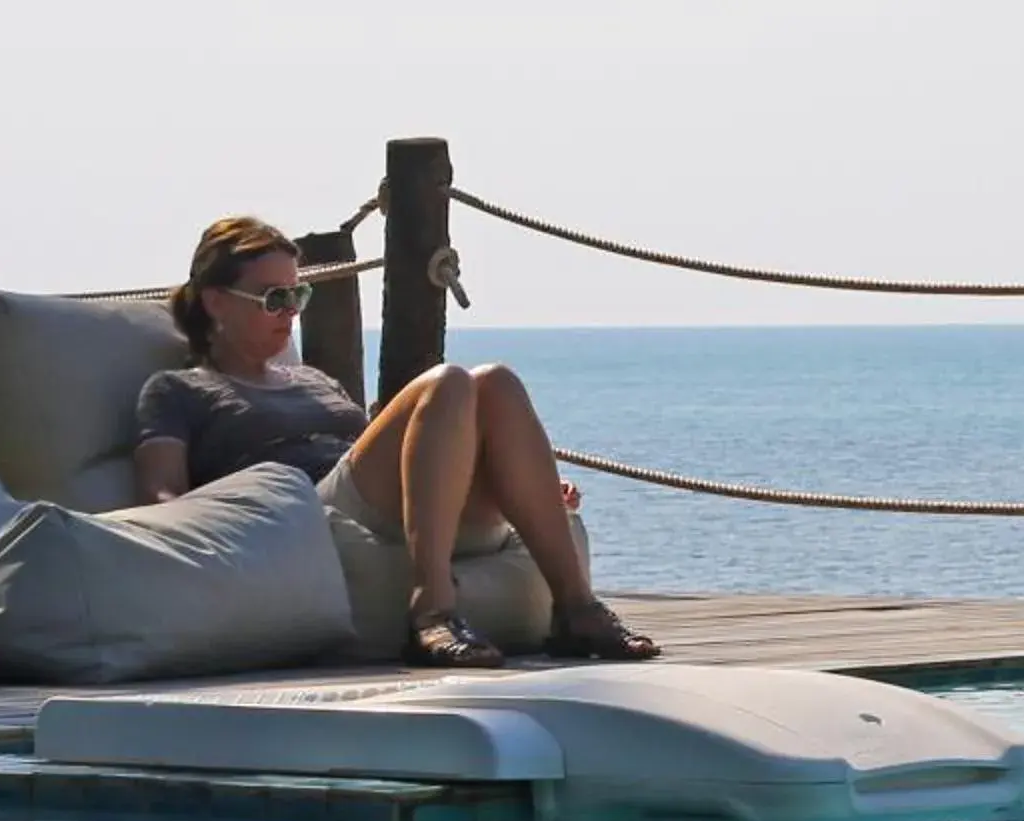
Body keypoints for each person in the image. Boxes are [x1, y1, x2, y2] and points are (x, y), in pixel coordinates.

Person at [135, 215, 658, 667]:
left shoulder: (315, 381)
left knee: (496, 382)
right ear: (216, 303)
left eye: (298, 295)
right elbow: (163, 498)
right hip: (310, 514)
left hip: (385, 511)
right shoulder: (180, 390)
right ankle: (431, 608)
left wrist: (525, 487)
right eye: (274, 298)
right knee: (448, 382)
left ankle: (576, 610)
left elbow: (415, 462)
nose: (291, 311)